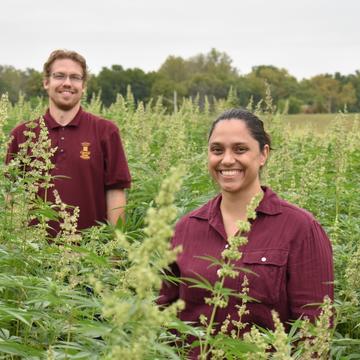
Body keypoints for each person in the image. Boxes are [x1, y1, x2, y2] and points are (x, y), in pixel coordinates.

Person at [158, 108, 334, 356]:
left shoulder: (300, 228)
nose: (227, 160)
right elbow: (162, 314)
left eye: (240, 149)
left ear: (263, 154)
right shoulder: (185, 228)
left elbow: (315, 329)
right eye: (217, 150)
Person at [6, 49, 131, 234]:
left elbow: (116, 191)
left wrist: (116, 248)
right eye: (59, 76)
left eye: (75, 77)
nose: (67, 83)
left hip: (90, 254)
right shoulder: (23, 134)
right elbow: (11, 194)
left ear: (84, 86)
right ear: (46, 82)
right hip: (32, 256)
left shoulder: (105, 131)